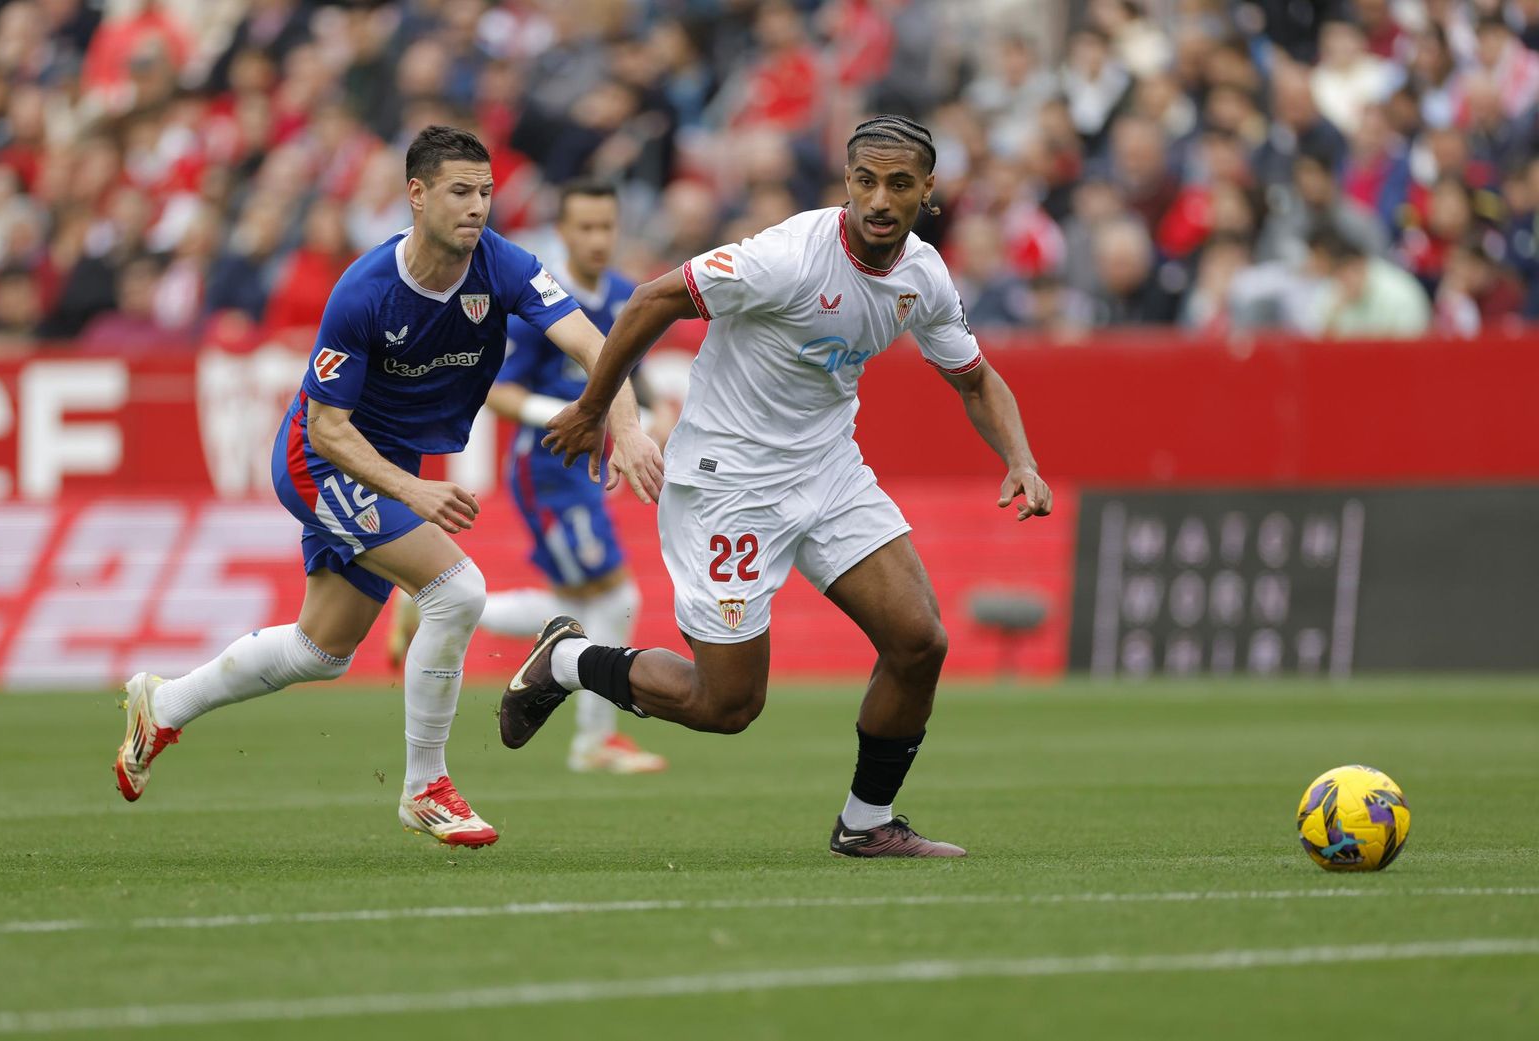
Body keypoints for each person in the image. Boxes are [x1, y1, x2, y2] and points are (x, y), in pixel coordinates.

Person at [504, 115, 1052, 858]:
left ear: (929, 191)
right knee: (726, 703)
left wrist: (1019, 456)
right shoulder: (786, 257)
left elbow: (975, 378)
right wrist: (596, 407)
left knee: (919, 641)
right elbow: (650, 300)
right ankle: (567, 659)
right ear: (846, 184)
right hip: (729, 482)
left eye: (899, 184)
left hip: (827, 469)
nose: (880, 199)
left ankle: (866, 822)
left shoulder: (922, 274)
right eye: (865, 181)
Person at [112, 125, 662, 848]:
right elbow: (329, 428)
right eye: (460, 191)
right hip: (324, 460)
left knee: (322, 650)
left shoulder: (506, 265)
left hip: (389, 461)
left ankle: (165, 702)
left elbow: (596, 344)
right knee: (456, 589)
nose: (477, 207)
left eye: (486, 193)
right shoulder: (364, 291)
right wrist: (415, 490)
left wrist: (627, 426)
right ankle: (424, 786)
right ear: (416, 194)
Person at [388, 178, 669, 774]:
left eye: (606, 227)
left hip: (587, 467)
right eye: (584, 228)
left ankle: (427, 600)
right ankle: (594, 741)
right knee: (617, 594)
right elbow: (498, 389)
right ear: (562, 233)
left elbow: (631, 380)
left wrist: (651, 416)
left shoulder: (624, 296)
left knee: (574, 603)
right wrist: (568, 415)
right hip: (545, 466)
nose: (597, 239)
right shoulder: (544, 299)